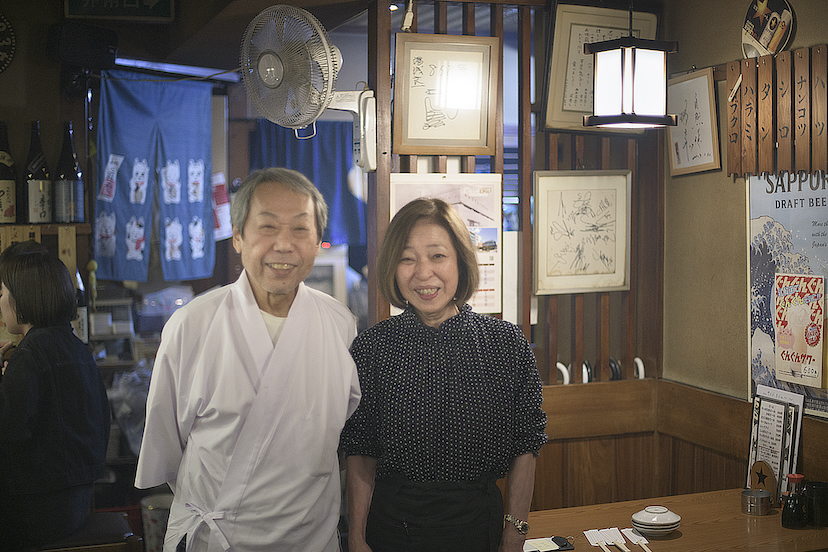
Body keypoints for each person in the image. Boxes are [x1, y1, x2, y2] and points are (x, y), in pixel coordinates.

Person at [135, 167, 361, 552]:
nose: (284, 244)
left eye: (300, 229)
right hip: (220, 538)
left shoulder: (341, 324)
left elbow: (341, 436)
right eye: (267, 227)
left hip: (311, 539)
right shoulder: (192, 325)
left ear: (319, 238)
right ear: (238, 237)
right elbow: (166, 450)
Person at [340, 197, 547, 552]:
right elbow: (361, 450)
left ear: (461, 262)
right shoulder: (371, 348)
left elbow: (525, 445)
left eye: (437, 256)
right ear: (392, 267)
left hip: (479, 528)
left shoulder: (506, 344)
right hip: (391, 529)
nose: (423, 273)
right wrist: (357, 538)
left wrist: (515, 535)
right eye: (407, 258)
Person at [0, 240, 110, 550]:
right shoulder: (77, 348)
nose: (0, 301)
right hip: (74, 503)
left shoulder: (30, 354)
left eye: (3, 292)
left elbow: (8, 431)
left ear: (24, 297)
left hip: (34, 512)